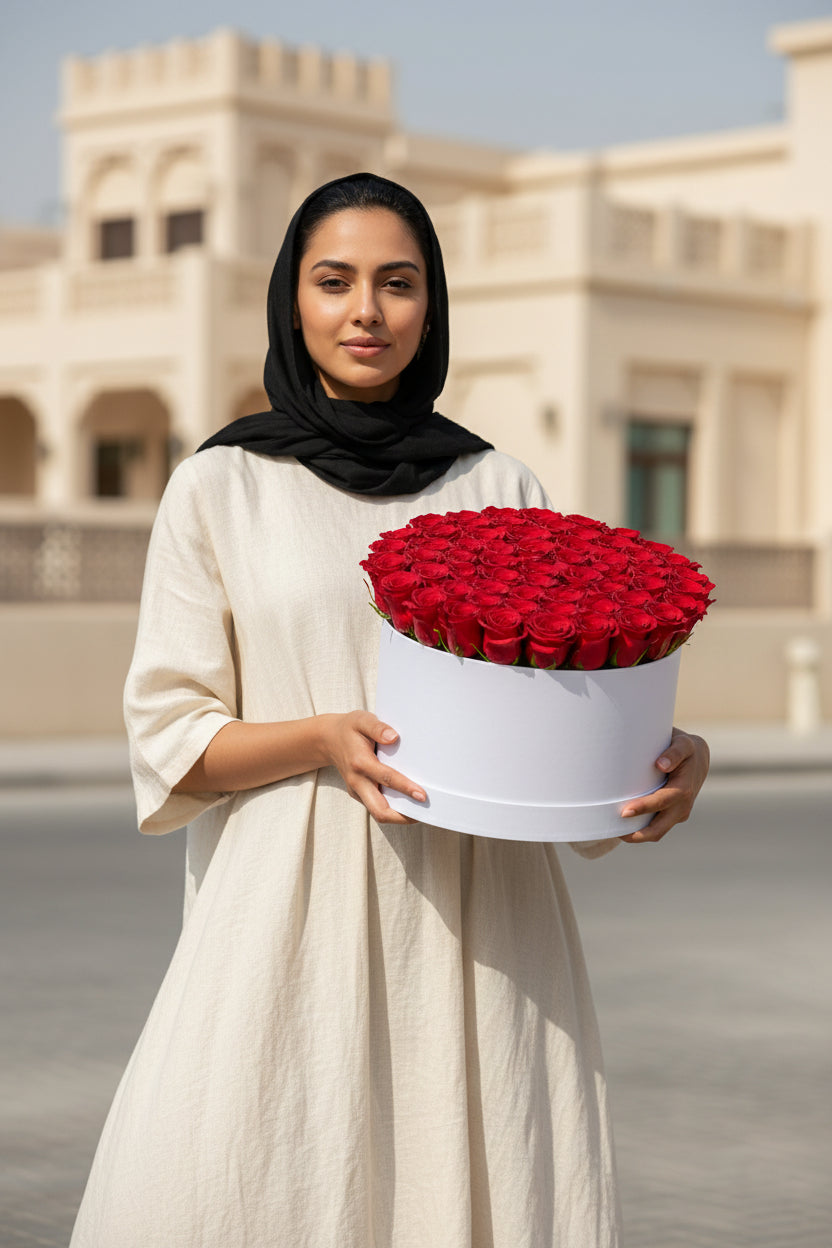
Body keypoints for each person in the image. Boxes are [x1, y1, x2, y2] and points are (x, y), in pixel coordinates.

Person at [70, 173, 709, 1247]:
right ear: (293, 300)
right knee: (258, 1175)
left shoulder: (496, 486)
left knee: (464, 1178)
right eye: (335, 280)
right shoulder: (222, 487)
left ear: (432, 305)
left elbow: (559, 721)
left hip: (482, 927)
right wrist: (322, 737)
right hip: (285, 916)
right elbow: (172, 734)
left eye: (396, 283)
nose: (366, 310)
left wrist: (660, 760)